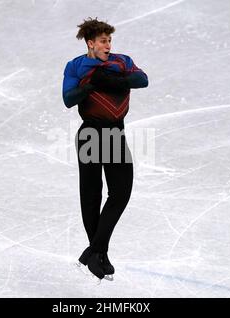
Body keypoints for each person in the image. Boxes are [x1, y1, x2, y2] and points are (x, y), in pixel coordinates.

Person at [62, 17, 148, 282]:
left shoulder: (122, 61)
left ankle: (94, 250)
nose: (108, 45)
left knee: (121, 191)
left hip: (114, 133)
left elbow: (143, 80)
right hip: (90, 132)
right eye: (103, 41)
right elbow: (68, 99)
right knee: (91, 194)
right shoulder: (76, 65)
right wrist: (90, 85)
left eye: (109, 40)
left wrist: (116, 79)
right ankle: (100, 255)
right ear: (91, 43)